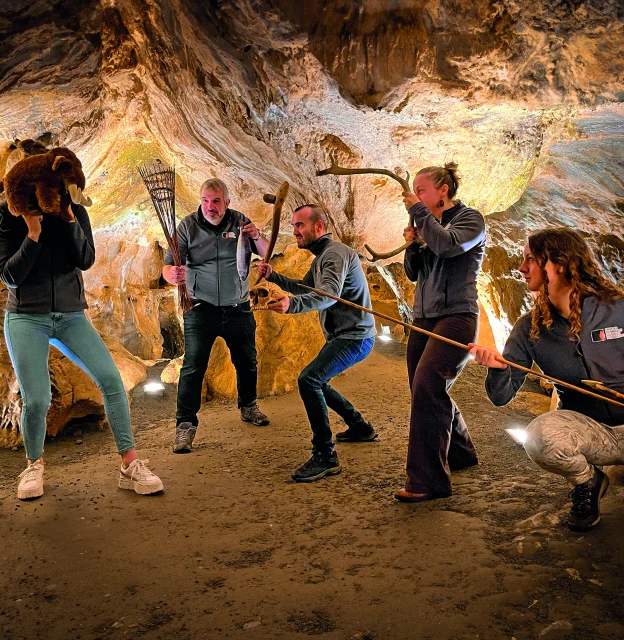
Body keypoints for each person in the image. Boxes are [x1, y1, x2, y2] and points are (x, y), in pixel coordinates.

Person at [0, 141, 163, 500]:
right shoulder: (10, 215)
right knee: (38, 399)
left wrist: (71, 221)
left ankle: (130, 464)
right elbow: (10, 277)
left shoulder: (74, 211)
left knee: (111, 381)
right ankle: (33, 466)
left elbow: (86, 260)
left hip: (72, 316)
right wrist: (32, 233)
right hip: (27, 317)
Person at [470, 227, 624, 532]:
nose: (522, 268)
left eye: (530, 260)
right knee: (540, 436)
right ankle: (588, 481)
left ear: (559, 263)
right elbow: (501, 396)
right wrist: (496, 368)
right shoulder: (529, 329)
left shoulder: (620, 311)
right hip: (587, 433)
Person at [256, 204, 377, 482]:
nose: (295, 231)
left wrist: (291, 305)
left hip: (354, 337)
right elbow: (306, 287)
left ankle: (325, 455)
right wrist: (274, 277)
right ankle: (359, 427)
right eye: (294, 225)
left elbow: (329, 295)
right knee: (317, 381)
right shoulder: (323, 256)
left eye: (300, 225)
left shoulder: (334, 254)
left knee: (309, 380)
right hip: (345, 336)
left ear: (319, 227)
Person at [397, 162, 486, 502]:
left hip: (457, 315)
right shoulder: (428, 226)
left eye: (421, 190)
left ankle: (428, 481)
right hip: (424, 316)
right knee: (424, 388)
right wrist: (413, 246)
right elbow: (412, 273)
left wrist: (419, 214)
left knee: (428, 384)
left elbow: (449, 246)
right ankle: (460, 452)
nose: (415, 196)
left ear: (443, 191)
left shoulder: (470, 219)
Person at [163, 178, 270, 453]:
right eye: (206, 200)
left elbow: (265, 252)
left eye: (216, 201)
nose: (210, 207)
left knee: (247, 361)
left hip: (238, 305)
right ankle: (185, 425)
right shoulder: (187, 226)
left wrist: (256, 235)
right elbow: (168, 266)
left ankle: (249, 406)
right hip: (201, 307)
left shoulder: (239, 222)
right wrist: (171, 275)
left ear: (227, 202)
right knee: (193, 366)